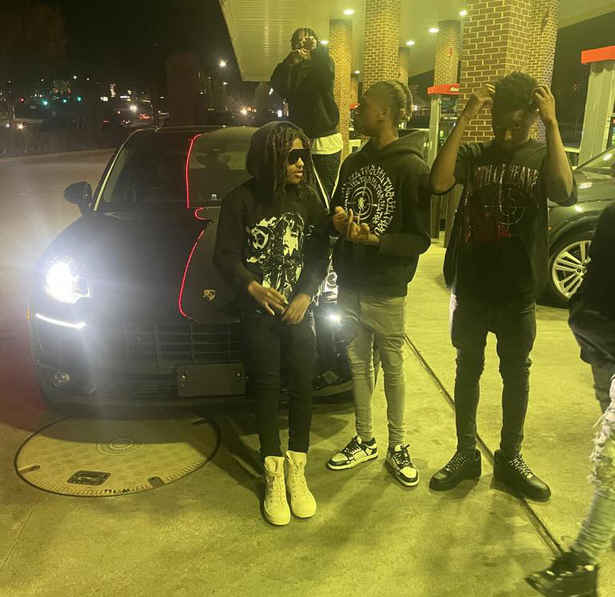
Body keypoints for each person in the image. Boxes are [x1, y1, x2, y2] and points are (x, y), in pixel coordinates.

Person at [428, 71, 577, 501]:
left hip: (518, 290)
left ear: (531, 116)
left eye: (517, 125)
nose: (507, 134)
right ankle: (465, 454)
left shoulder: (541, 155)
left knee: (515, 374)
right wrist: (465, 117)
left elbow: (563, 190)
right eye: (499, 125)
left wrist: (551, 124)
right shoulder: (475, 154)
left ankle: (510, 458)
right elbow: (438, 182)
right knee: (467, 368)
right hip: (473, 288)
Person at [214, 121, 330, 526]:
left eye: (304, 156)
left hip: (299, 311)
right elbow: (225, 255)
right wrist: (251, 287)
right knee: (266, 389)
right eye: (292, 156)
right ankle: (273, 473)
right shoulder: (240, 200)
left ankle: (297, 469)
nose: (301, 164)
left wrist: (306, 294)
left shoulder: (308, 199)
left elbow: (319, 253)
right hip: (259, 313)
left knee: (302, 385)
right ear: (270, 158)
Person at [325, 80, 431, 487]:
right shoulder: (352, 162)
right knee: (357, 365)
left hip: (386, 287)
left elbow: (419, 238)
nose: (357, 109)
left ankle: (398, 444)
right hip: (350, 282)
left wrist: (376, 241)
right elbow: (336, 208)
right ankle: (365, 439)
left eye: (365, 104)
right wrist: (338, 220)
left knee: (392, 368)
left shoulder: (412, 167)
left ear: (384, 112)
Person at [527, 192, 615, 597]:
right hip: (602, 343)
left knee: (612, 461)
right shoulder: (612, 212)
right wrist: (584, 317)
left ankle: (583, 563)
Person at [270, 27, 342, 204]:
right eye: (297, 41)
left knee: (323, 195)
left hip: (325, 142)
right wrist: (288, 63)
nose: (302, 44)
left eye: (306, 40)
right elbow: (278, 85)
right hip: (300, 140)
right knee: (299, 192)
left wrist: (317, 50)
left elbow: (326, 74)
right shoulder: (291, 70)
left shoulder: (322, 65)